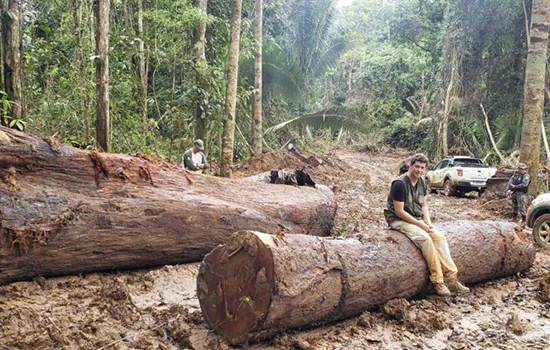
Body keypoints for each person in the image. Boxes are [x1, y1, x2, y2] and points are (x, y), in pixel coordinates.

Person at [384, 153, 470, 297]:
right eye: (416, 167)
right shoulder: (399, 184)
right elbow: (399, 211)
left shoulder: (422, 182)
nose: (419, 170)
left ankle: (451, 278)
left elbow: (424, 205)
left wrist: (428, 222)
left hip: (417, 218)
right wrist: (420, 225)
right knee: (426, 240)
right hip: (399, 220)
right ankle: (438, 281)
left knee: (439, 237)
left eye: (422, 168)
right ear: (410, 166)